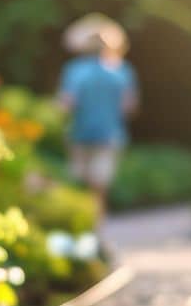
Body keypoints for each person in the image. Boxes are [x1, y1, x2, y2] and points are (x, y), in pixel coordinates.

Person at [57, 14, 139, 214]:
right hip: (107, 134)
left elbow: (66, 104)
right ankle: (94, 228)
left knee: (81, 184)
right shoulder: (122, 70)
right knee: (98, 186)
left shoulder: (75, 70)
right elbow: (129, 107)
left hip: (81, 133)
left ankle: (86, 227)